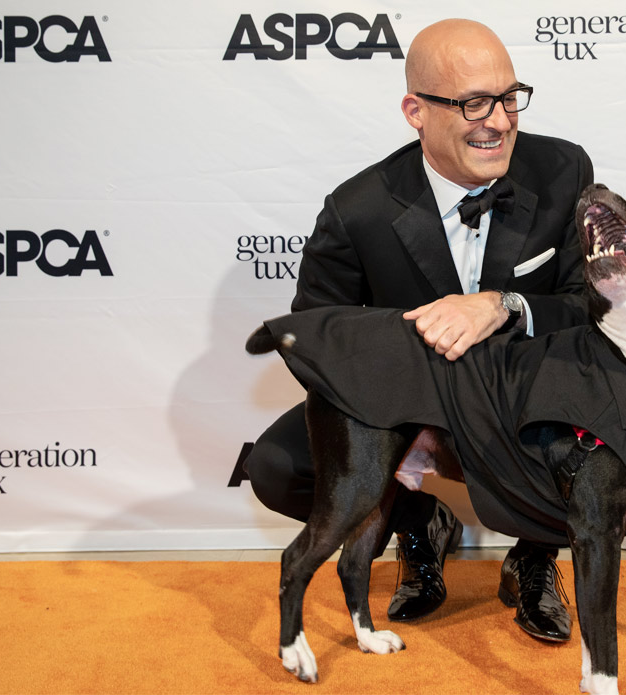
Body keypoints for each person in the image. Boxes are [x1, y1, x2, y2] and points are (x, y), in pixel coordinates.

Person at [245, 18, 593, 643]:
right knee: (279, 465)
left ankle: (535, 557)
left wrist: (503, 304)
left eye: (510, 97)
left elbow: (592, 308)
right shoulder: (359, 210)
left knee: (605, 432)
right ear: (415, 111)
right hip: (403, 410)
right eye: (472, 103)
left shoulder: (562, 169)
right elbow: (314, 336)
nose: (500, 120)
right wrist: (401, 418)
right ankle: (417, 523)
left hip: (522, 404)